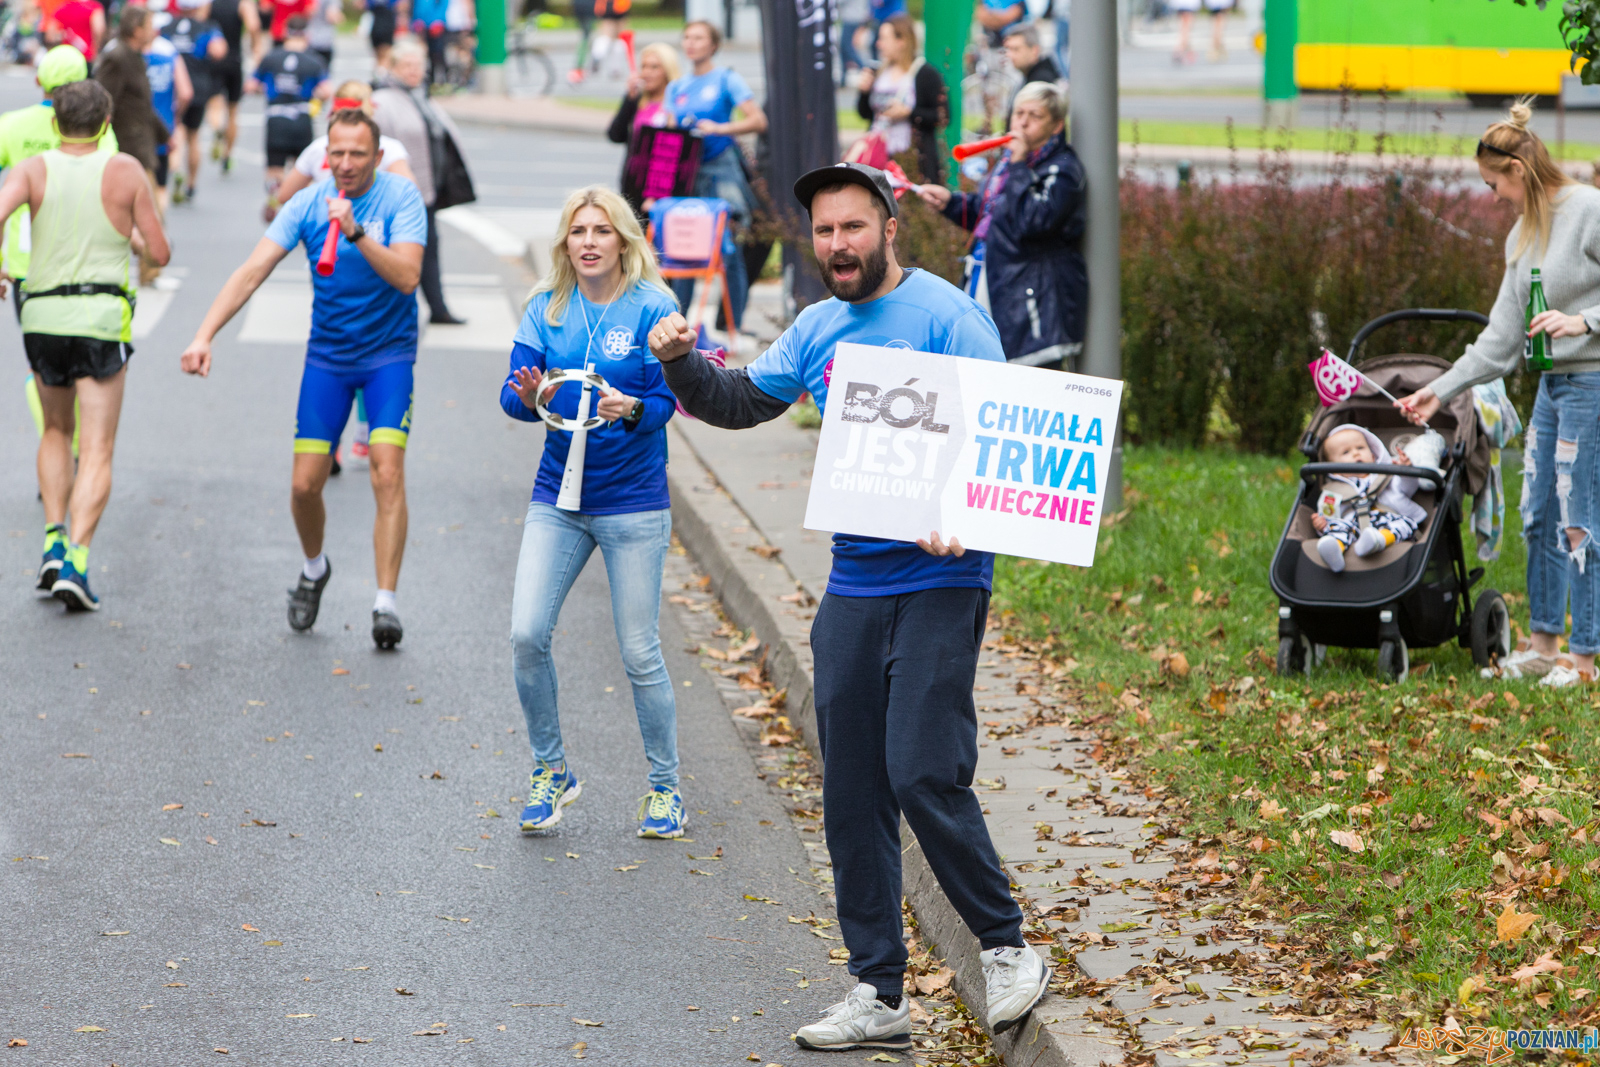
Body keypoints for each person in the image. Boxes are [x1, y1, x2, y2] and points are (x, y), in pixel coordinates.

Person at [646, 162, 1048, 1052]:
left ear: (888, 227)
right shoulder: (820, 325)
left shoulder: (946, 315)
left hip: (943, 578)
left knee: (921, 769)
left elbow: (1012, 428)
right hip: (855, 587)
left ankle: (1006, 944)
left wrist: (965, 514)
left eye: (852, 229)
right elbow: (743, 401)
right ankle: (879, 989)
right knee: (852, 791)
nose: (837, 246)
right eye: (824, 232)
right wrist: (680, 360)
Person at [179, 109, 426, 648]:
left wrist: (356, 231)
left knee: (387, 472)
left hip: (388, 357)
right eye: (336, 153)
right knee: (303, 486)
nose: (345, 164)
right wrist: (204, 335)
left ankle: (385, 602)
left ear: (377, 158)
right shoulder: (309, 203)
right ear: (324, 155)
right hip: (329, 359)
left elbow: (408, 278)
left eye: (357, 154)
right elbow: (251, 271)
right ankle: (315, 569)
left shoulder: (401, 198)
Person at [500, 186, 684, 839]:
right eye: (578, 231)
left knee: (639, 651)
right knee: (526, 633)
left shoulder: (653, 308)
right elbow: (513, 397)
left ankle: (666, 789)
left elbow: (671, 403)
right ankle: (551, 771)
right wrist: (532, 394)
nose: (588, 242)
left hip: (632, 502)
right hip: (558, 498)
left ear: (623, 240)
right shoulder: (546, 308)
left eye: (601, 231)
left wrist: (629, 407)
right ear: (564, 242)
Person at [1397, 101, 1600, 689]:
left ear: (1519, 171)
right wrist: (1436, 392)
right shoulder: (1521, 236)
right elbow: (1500, 340)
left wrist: (1582, 321)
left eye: (1494, 183)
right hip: (1552, 390)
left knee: (1581, 521)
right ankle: (1543, 647)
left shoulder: (1587, 210)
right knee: (1539, 516)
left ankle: (1584, 661)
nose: (1492, 196)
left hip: (1591, 385)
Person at [0, 78, 169, 610]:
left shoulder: (33, 168)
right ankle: (77, 559)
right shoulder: (124, 171)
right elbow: (159, 251)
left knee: (54, 429)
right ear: (106, 121)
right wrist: (133, 235)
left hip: (42, 313)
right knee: (96, 447)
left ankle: (51, 540)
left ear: (54, 121)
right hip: (100, 316)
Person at [916, 82, 1084, 367]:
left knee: (1026, 383)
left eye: (1035, 115)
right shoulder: (1009, 162)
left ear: (1056, 126)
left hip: (1032, 297)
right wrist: (951, 203)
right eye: (1019, 113)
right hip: (990, 276)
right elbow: (990, 215)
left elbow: (1033, 221)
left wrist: (1018, 166)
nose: (1022, 122)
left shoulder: (1063, 168)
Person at [0, 46, 120, 322]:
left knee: (41, 352)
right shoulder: (96, 128)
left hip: (27, 260)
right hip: (86, 255)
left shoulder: (11, 125)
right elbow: (111, 180)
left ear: (38, 80)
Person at [663, 20, 767, 332]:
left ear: (713, 45)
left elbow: (758, 121)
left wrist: (720, 128)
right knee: (682, 252)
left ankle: (731, 324)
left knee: (728, 249)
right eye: (687, 37)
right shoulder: (676, 87)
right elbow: (668, 132)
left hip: (721, 172)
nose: (691, 43)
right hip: (688, 176)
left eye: (699, 38)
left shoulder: (726, 79)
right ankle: (678, 325)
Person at [372, 39, 470, 325]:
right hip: (400, 192)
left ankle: (438, 307)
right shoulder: (383, 101)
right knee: (405, 250)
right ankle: (409, 309)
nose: (414, 70)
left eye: (418, 65)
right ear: (393, 67)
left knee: (429, 247)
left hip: (425, 189)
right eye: (407, 65)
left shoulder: (421, 97)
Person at [1310, 426, 1424, 573]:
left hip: (1386, 520)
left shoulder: (1386, 476)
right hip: (1353, 527)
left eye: (1361, 447)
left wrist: (1406, 472)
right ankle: (1334, 549)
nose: (1356, 453)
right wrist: (1322, 525)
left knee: (1406, 523)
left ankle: (1379, 540)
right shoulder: (1333, 491)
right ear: (1334, 467)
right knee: (1338, 528)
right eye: (1346, 452)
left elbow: (1407, 488)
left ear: (1373, 454)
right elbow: (1330, 516)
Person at [854, 14, 945, 183]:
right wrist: (864, 92)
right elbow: (865, 114)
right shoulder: (879, 71)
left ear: (901, 41)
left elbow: (942, 116)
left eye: (883, 38)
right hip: (880, 157)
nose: (878, 44)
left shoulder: (926, 74)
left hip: (913, 160)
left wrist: (908, 113)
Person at [252, 15, 329, 212]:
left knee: (275, 167)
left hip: (276, 118)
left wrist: (267, 89)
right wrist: (316, 99)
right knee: (303, 168)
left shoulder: (270, 58)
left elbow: (251, 85)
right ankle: (301, 209)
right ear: (307, 35)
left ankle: (275, 202)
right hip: (302, 118)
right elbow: (326, 91)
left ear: (285, 33)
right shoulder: (315, 61)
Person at [163, 0, 227, 203]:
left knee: (176, 131)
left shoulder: (166, 26)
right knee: (193, 137)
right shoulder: (207, 27)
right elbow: (219, 51)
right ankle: (191, 184)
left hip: (172, 88)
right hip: (198, 87)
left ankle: (176, 170)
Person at [605, 41, 678, 218]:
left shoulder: (676, 103)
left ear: (668, 70)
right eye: (644, 66)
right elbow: (615, 135)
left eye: (654, 67)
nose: (647, 73)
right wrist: (629, 99)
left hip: (663, 188)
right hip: (633, 184)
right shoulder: (638, 101)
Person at [205, 0, 262, 176]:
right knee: (233, 110)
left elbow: (201, 21)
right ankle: (227, 156)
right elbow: (253, 25)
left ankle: (217, 129)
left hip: (214, 59)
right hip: (234, 60)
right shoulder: (243, 3)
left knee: (215, 104)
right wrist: (255, 47)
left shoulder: (210, 3)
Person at [144, 12, 194, 212]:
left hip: (134, 129)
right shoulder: (168, 52)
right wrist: (177, 113)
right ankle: (160, 229)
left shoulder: (128, 52)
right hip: (163, 123)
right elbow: (186, 92)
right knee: (161, 187)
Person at [366, 0, 397, 67]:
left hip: (387, 19)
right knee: (378, 52)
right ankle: (381, 70)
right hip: (375, 20)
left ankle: (383, 69)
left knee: (386, 51)